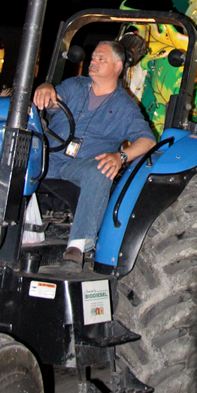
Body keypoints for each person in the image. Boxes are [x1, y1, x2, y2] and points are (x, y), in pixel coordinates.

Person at [33, 41, 155, 274]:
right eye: (93, 58)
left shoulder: (125, 107)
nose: (93, 62)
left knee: (102, 168)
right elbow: (49, 100)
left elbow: (147, 141)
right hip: (50, 158)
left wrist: (121, 156)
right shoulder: (73, 86)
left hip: (81, 166)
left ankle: (78, 246)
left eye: (101, 59)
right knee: (20, 153)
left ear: (117, 66)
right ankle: (19, 229)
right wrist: (46, 87)